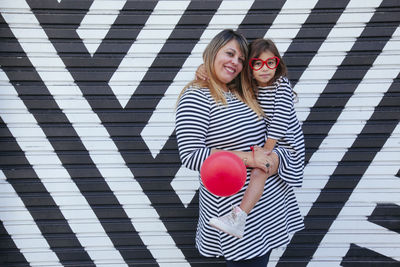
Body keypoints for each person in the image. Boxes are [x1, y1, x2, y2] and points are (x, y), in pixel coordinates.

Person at [175, 30, 303, 266]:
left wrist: (274, 160)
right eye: (229, 53)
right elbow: (191, 156)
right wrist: (250, 159)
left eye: (241, 59)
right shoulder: (196, 96)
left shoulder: (240, 91)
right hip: (231, 211)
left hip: (264, 208)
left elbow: (274, 130)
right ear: (213, 52)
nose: (235, 61)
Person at [197, 38, 306, 240]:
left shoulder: (281, 85)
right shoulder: (249, 85)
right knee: (259, 168)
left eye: (270, 63)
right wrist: (204, 67)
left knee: (259, 169)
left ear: (278, 64)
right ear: (250, 67)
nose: (265, 69)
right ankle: (239, 218)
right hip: (269, 147)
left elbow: (280, 123)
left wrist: (264, 152)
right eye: (257, 64)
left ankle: (239, 217)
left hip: (285, 145)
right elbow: (222, 72)